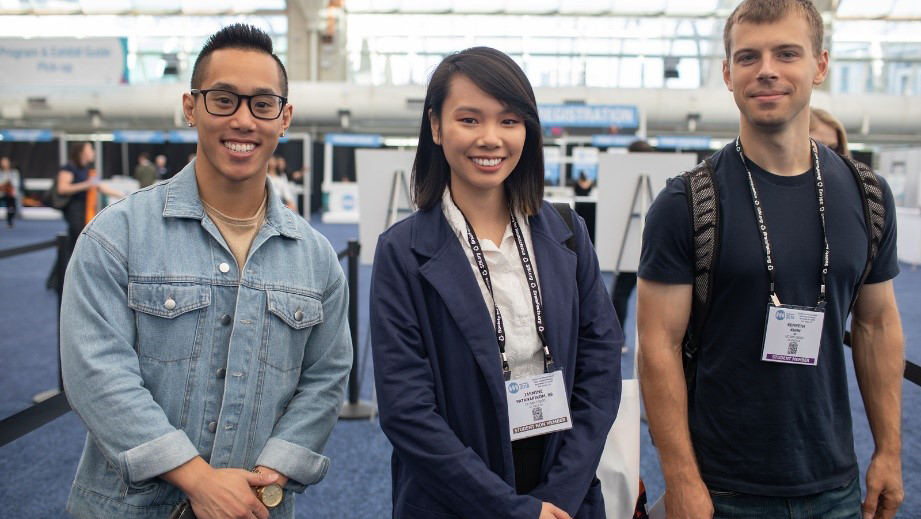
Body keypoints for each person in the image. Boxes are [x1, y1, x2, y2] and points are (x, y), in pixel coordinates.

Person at [60, 24, 352, 519]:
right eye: (223, 100)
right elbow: (97, 373)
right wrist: (197, 480)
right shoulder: (117, 236)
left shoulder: (316, 257)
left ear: (285, 118)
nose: (243, 120)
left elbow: (326, 376)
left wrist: (272, 474)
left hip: (257, 506)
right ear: (191, 107)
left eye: (262, 104)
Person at [637, 1, 904, 519]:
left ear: (820, 65)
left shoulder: (867, 194)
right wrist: (681, 479)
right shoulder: (686, 203)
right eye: (748, 57)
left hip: (836, 483)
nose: (766, 71)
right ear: (727, 73)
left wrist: (890, 451)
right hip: (722, 489)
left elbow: (876, 325)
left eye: (787, 53)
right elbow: (657, 345)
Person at [370, 47, 623, 519]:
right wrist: (513, 511)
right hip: (456, 499)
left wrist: (560, 496)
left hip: (564, 490)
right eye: (470, 120)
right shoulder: (402, 251)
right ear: (436, 127)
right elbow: (407, 412)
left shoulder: (566, 233)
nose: (491, 139)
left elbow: (601, 364)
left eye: (509, 121)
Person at [609, 139, 653, 351]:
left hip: (629, 248)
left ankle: (621, 340)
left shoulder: (621, 178)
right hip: (638, 247)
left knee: (620, 294)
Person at [0, 156, 20, 228]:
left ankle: (10, 221)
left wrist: (9, 186)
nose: (4, 164)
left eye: (6, 162)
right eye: (3, 162)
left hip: (10, 193)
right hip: (1, 192)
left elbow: (16, 184)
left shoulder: (14, 172)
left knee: (11, 207)